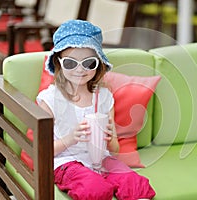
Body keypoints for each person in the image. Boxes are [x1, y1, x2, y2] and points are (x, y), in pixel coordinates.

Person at [37, 19, 156, 200]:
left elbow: (115, 149)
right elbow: (42, 150)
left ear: (98, 64)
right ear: (58, 62)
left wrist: (109, 139)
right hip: (66, 162)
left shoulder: (104, 97)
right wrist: (71, 138)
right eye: (70, 63)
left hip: (102, 159)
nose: (80, 70)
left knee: (135, 184)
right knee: (94, 189)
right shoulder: (50, 99)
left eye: (88, 63)